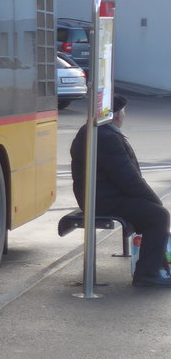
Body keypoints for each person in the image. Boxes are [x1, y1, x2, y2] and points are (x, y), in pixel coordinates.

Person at [69, 95, 171, 287]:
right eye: (124, 111)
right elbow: (128, 179)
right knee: (158, 215)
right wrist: (154, 200)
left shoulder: (98, 131)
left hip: (99, 195)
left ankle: (155, 266)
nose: (125, 115)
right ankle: (147, 274)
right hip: (102, 199)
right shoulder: (106, 137)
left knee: (152, 212)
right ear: (116, 115)